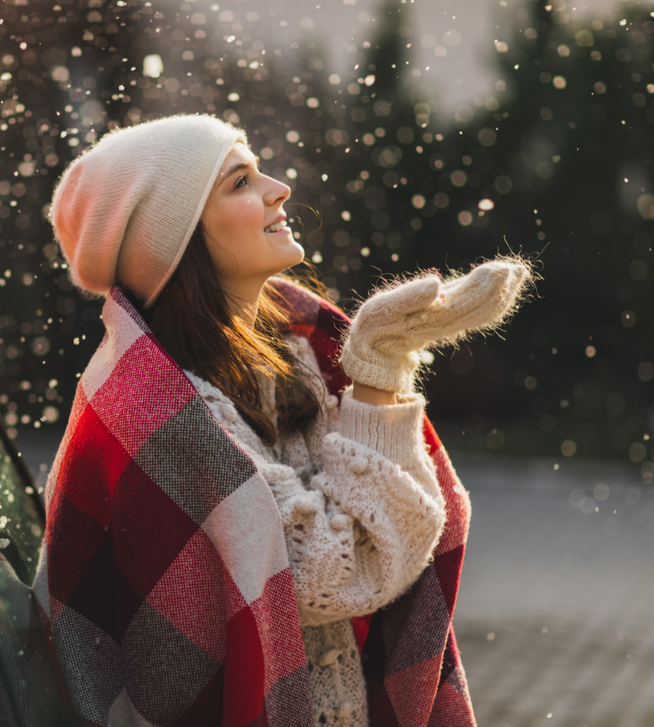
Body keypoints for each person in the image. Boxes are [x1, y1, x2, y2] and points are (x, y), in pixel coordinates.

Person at [33, 114, 529, 727]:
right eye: (240, 181)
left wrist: (384, 369)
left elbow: (385, 542)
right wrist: (378, 376)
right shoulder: (161, 413)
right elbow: (335, 572)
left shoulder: (294, 351)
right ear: (178, 239)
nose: (277, 187)